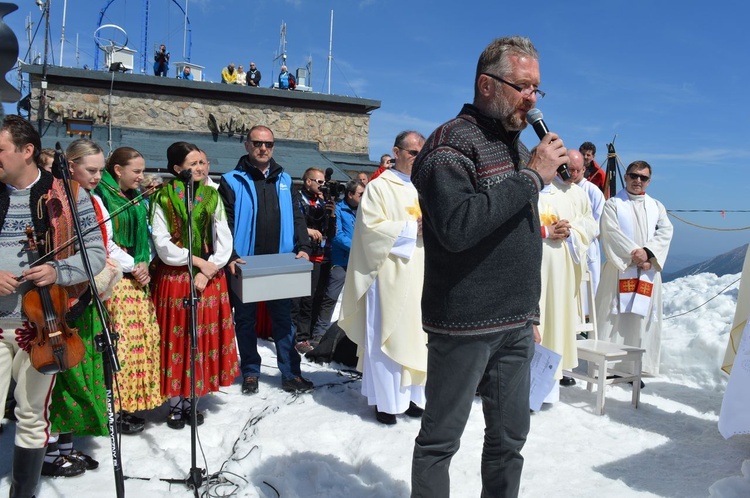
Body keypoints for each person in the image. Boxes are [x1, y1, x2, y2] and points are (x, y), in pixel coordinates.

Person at [410, 36, 566, 497]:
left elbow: (515, 235)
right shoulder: (448, 144)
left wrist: (529, 311)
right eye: (523, 87)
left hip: (515, 323)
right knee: (440, 441)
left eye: (537, 89)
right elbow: (457, 227)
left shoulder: (520, 149)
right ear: (485, 84)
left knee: (509, 441)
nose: (532, 99)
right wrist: (532, 178)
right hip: (462, 323)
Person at [0, 115, 106, 498]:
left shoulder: (70, 194)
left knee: (31, 414)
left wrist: (58, 270)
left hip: (45, 326)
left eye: (0, 149)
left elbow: (95, 256)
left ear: (26, 151)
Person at [339, 130, 427, 425]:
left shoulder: (425, 186)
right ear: (396, 151)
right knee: (387, 333)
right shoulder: (379, 187)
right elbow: (369, 229)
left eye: (421, 153)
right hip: (387, 271)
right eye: (413, 152)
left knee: (417, 333)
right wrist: (408, 230)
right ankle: (387, 403)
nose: (417, 159)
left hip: (420, 270)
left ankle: (415, 397)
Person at [45, 139, 120, 478]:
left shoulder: (86, 198)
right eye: (91, 170)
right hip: (56, 300)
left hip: (82, 295)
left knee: (78, 375)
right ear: (70, 166)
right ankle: (51, 453)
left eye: (101, 170)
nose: (98, 176)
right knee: (62, 378)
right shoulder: (52, 196)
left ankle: (66, 447)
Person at [150, 142, 239, 429]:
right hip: (176, 277)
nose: (199, 168)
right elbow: (162, 245)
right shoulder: (162, 197)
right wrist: (197, 262)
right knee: (177, 338)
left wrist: (210, 267)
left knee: (199, 340)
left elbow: (224, 238)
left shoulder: (212, 196)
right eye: (192, 164)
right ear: (177, 169)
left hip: (208, 278)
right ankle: (175, 402)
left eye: (202, 162)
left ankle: (192, 398)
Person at [218, 126, 313, 395]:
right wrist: (232, 257)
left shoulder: (284, 179)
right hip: (246, 264)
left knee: (284, 321)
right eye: (258, 143)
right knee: (245, 321)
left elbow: (297, 217)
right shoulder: (231, 180)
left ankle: (291, 373)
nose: (263, 148)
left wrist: (303, 245)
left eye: (268, 144)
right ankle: (250, 371)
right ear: (247, 145)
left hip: (280, 262)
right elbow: (225, 223)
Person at [95, 147, 163, 434]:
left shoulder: (136, 198)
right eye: (136, 171)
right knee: (121, 343)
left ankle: (132, 402)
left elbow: (145, 237)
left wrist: (145, 262)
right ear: (118, 170)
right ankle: (115, 407)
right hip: (116, 277)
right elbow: (105, 241)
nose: (141, 176)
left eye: (142, 170)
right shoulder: (102, 195)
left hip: (137, 275)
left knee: (142, 340)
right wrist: (134, 265)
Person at [595, 160, 673, 377]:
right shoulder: (613, 204)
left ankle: (635, 368)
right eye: (633, 176)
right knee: (613, 317)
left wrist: (649, 254)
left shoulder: (656, 206)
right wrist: (636, 255)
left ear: (649, 181)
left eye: (643, 177)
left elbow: (666, 232)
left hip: (647, 271)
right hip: (620, 270)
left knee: (641, 320)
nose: (638, 180)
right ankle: (607, 366)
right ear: (626, 177)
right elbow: (611, 233)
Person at [536, 167, 597, 399]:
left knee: (554, 323)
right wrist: (545, 231)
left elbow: (587, 224)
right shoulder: (526, 191)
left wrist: (570, 231)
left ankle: (548, 391)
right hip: (532, 272)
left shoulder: (567, 195)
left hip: (559, 273)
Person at [309, 179, 365, 345]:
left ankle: (352, 337)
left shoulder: (365, 209)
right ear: (350, 194)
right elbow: (337, 236)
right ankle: (319, 334)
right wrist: (358, 247)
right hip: (341, 260)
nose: (364, 197)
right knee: (331, 297)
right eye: (361, 194)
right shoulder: (339, 209)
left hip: (360, 261)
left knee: (359, 300)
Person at [292, 167, 336, 354]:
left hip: (319, 255)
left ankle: (305, 335)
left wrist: (332, 214)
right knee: (297, 299)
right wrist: (307, 231)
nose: (322, 186)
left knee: (311, 298)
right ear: (308, 181)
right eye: (319, 182)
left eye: (323, 182)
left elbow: (330, 232)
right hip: (299, 254)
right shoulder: (296, 199)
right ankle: (294, 336)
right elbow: (291, 223)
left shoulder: (323, 202)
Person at [567, 149, 605, 303]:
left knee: (588, 294)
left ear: (583, 169)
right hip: (564, 247)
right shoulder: (558, 188)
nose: (574, 173)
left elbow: (598, 223)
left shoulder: (592, 191)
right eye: (571, 170)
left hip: (586, 248)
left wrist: (575, 232)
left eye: (578, 170)